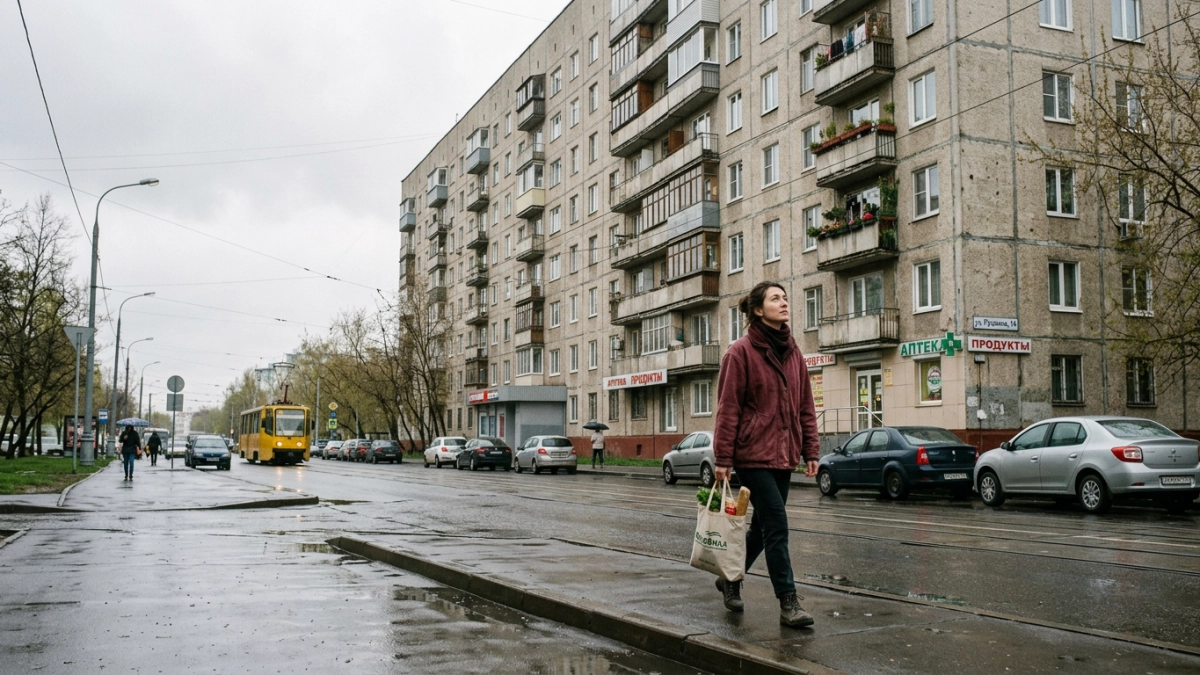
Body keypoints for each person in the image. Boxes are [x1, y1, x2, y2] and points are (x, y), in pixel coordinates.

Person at [712, 281, 819, 628]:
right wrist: (723, 458)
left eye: (785, 297)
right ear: (758, 310)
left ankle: (730, 577)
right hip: (752, 454)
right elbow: (728, 409)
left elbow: (805, 406)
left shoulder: (794, 353)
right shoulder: (739, 353)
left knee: (761, 527)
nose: (784, 302)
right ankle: (788, 602)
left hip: (784, 454)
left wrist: (811, 450)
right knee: (776, 524)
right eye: (776, 298)